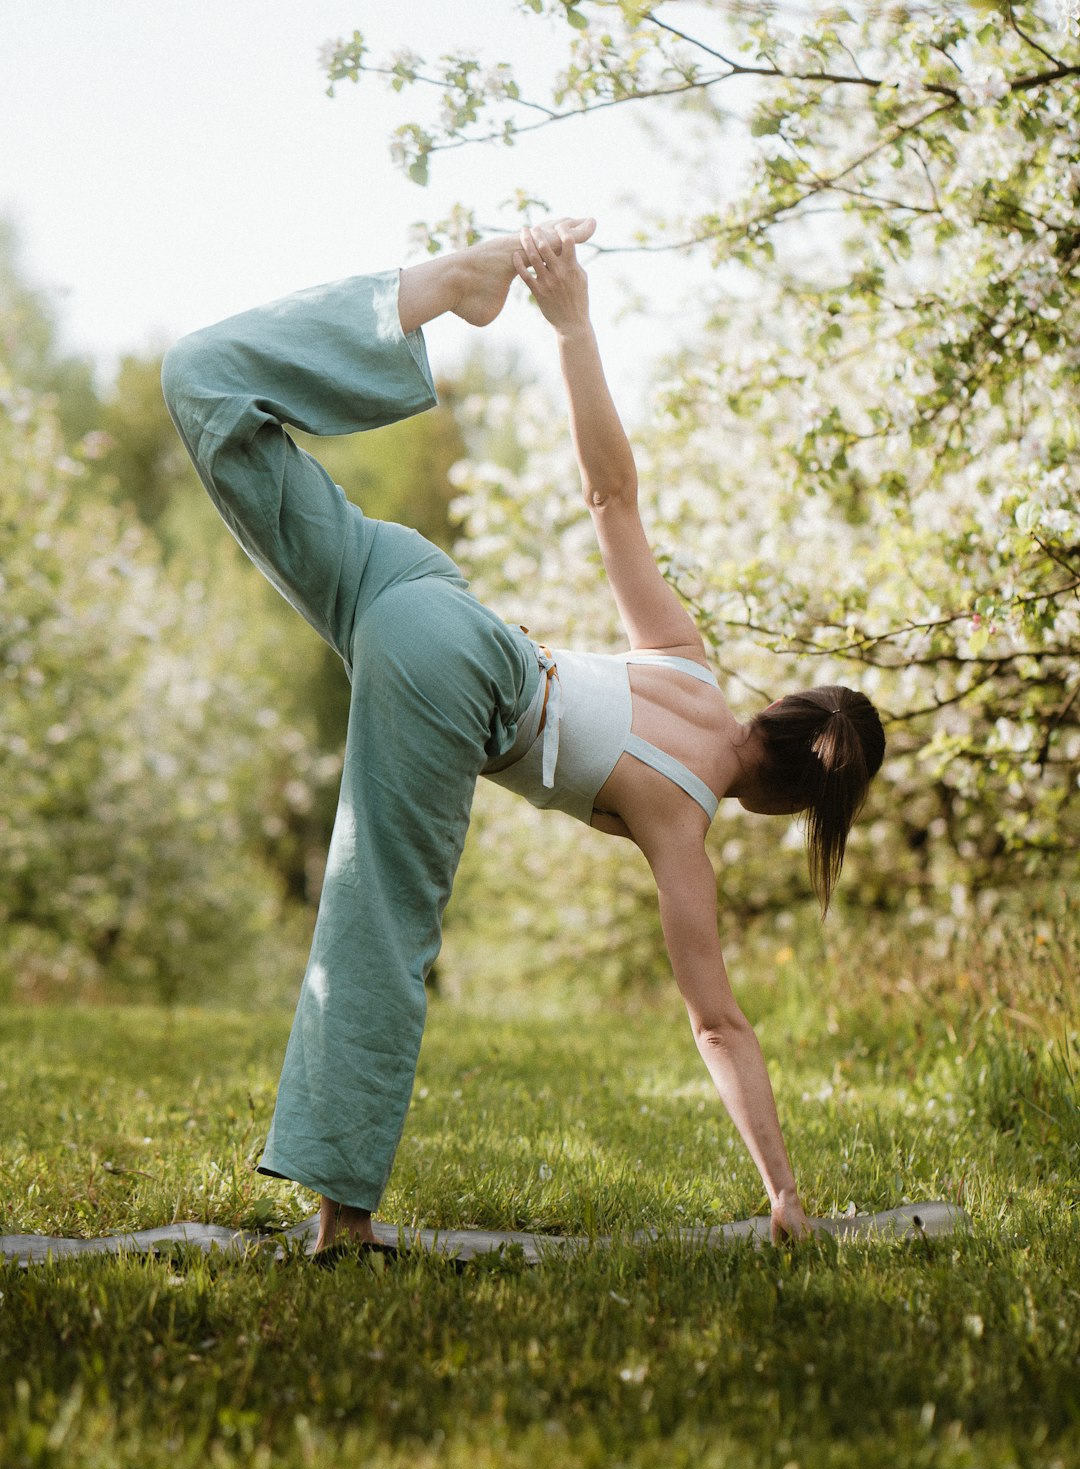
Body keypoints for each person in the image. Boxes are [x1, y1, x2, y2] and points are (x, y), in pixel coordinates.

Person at [161, 217, 885, 1260]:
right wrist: (783, 1190)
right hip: (453, 670)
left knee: (207, 389)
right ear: (795, 796)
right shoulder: (681, 826)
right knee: (384, 913)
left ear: (787, 713)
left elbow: (611, 498)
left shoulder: (688, 659)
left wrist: (572, 325)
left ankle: (429, 291)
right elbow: (719, 1024)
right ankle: (344, 1224)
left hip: (413, 585)